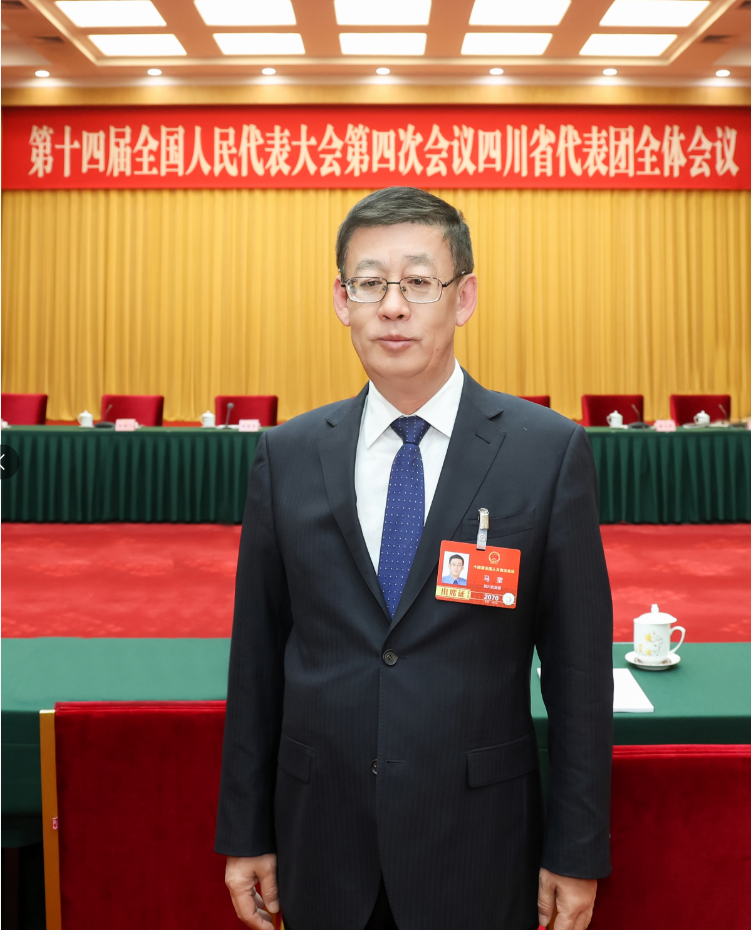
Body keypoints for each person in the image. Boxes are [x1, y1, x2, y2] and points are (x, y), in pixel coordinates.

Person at [216, 187, 613, 930]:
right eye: (370, 283)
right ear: (342, 300)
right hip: (320, 839)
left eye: (419, 282)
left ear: (464, 298)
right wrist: (246, 833)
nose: (392, 307)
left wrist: (577, 848)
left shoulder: (544, 451)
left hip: (479, 842)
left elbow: (579, 672)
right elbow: (257, 660)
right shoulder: (287, 454)